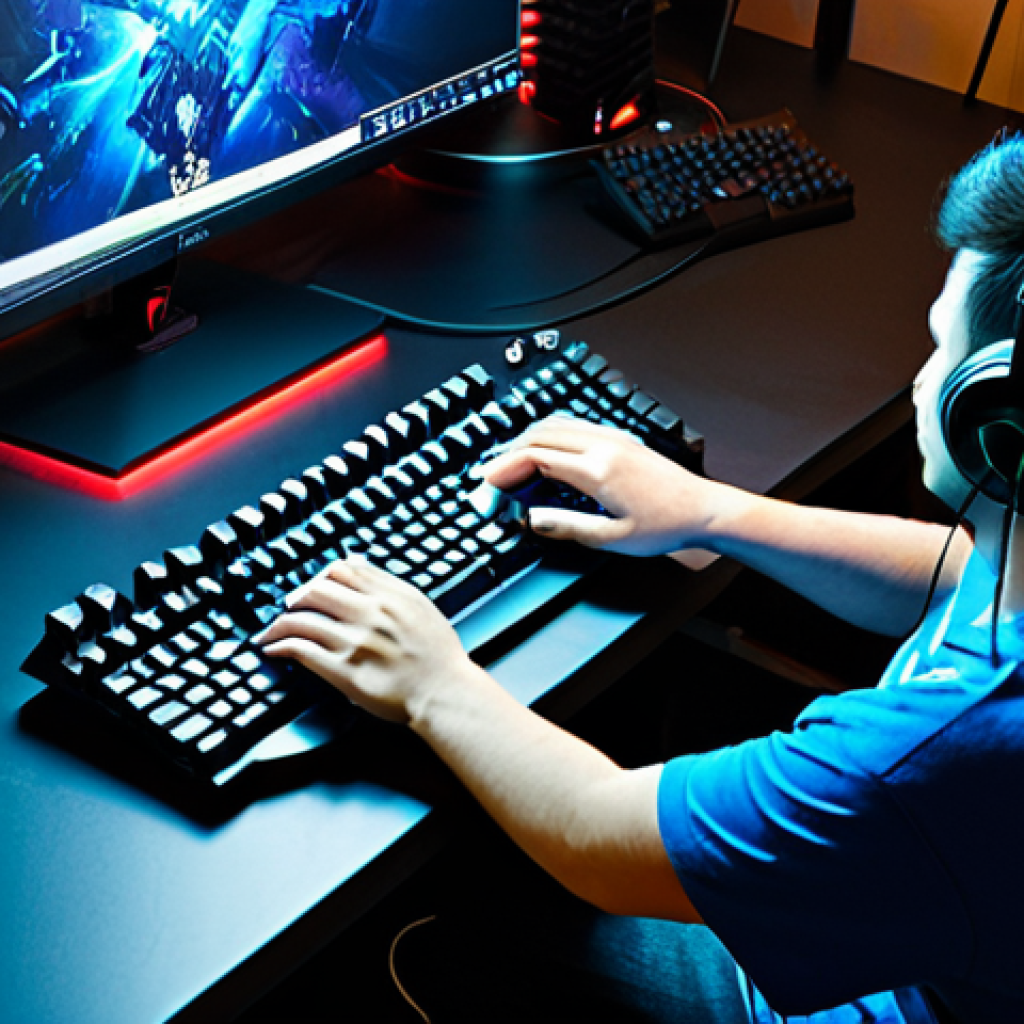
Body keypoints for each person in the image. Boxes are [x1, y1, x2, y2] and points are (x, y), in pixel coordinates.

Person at [254, 137, 1024, 1023]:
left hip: (849, 1000)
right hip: (933, 936)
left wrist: (432, 679)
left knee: (423, 908)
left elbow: (594, 835)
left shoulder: (927, 759)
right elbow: (954, 577)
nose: (922, 381)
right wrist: (713, 511)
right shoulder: (1015, 578)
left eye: (940, 355)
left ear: (997, 427)